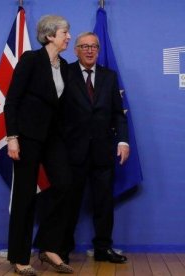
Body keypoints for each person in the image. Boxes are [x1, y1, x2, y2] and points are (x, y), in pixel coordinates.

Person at [4, 15, 74, 275]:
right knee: (24, 196)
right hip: (27, 137)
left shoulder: (64, 66)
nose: (68, 36)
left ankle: (48, 246)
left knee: (66, 184)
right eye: (65, 32)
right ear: (50, 35)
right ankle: (19, 257)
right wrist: (12, 137)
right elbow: (11, 101)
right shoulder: (31, 60)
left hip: (53, 137)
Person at [61, 32, 129, 264]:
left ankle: (103, 248)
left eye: (94, 47)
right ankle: (62, 249)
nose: (90, 50)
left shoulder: (109, 77)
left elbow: (118, 115)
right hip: (72, 152)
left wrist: (122, 141)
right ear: (75, 50)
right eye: (84, 46)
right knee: (69, 204)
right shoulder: (64, 73)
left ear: (98, 50)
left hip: (102, 151)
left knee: (103, 204)